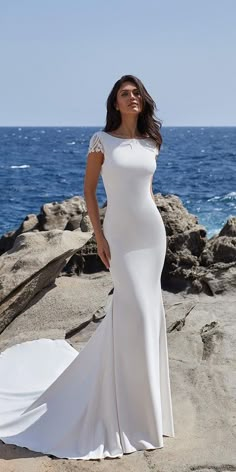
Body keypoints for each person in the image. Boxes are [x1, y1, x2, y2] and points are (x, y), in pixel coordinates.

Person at [0, 74, 175, 461]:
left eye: (136, 94)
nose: (131, 98)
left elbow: (145, 193)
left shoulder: (151, 142)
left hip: (151, 234)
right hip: (121, 235)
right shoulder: (102, 141)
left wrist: (152, 224)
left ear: (143, 102)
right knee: (135, 312)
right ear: (114, 103)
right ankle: (126, 407)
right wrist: (99, 235)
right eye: (124, 94)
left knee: (148, 315)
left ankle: (146, 410)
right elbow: (90, 190)